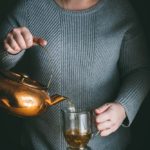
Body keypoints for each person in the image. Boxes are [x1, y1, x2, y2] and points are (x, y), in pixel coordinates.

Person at [0, 0, 150, 149]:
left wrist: (123, 107)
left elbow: (140, 69)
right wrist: (10, 49)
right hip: (38, 144)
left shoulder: (120, 9)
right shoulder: (28, 7)